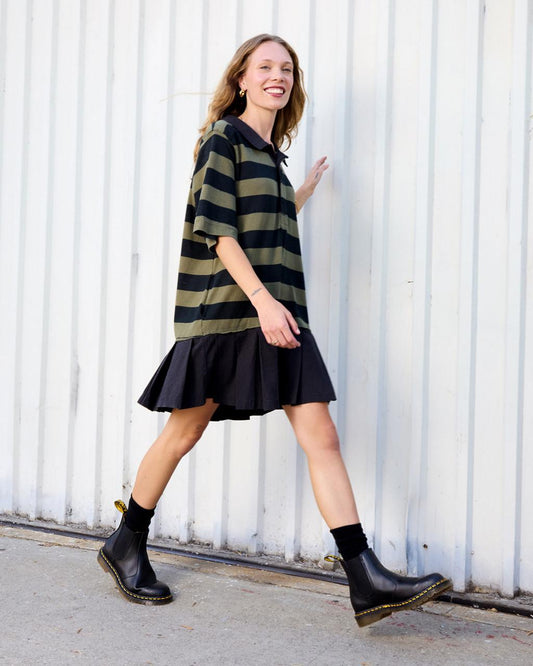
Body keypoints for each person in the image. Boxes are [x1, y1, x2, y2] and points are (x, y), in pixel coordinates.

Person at [97, 33, 451, 627]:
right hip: (230, 314)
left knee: (321, 435)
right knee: (184, 432)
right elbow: (220, 231)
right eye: (265, 66)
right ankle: (125, 542)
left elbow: (261, 223)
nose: (277, 76)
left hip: (280, 312)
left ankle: (365, 578)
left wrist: (296, 197)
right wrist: (262, 301)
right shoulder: (224, 139)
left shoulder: (269, 156)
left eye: (286, 68)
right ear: (241, 78)